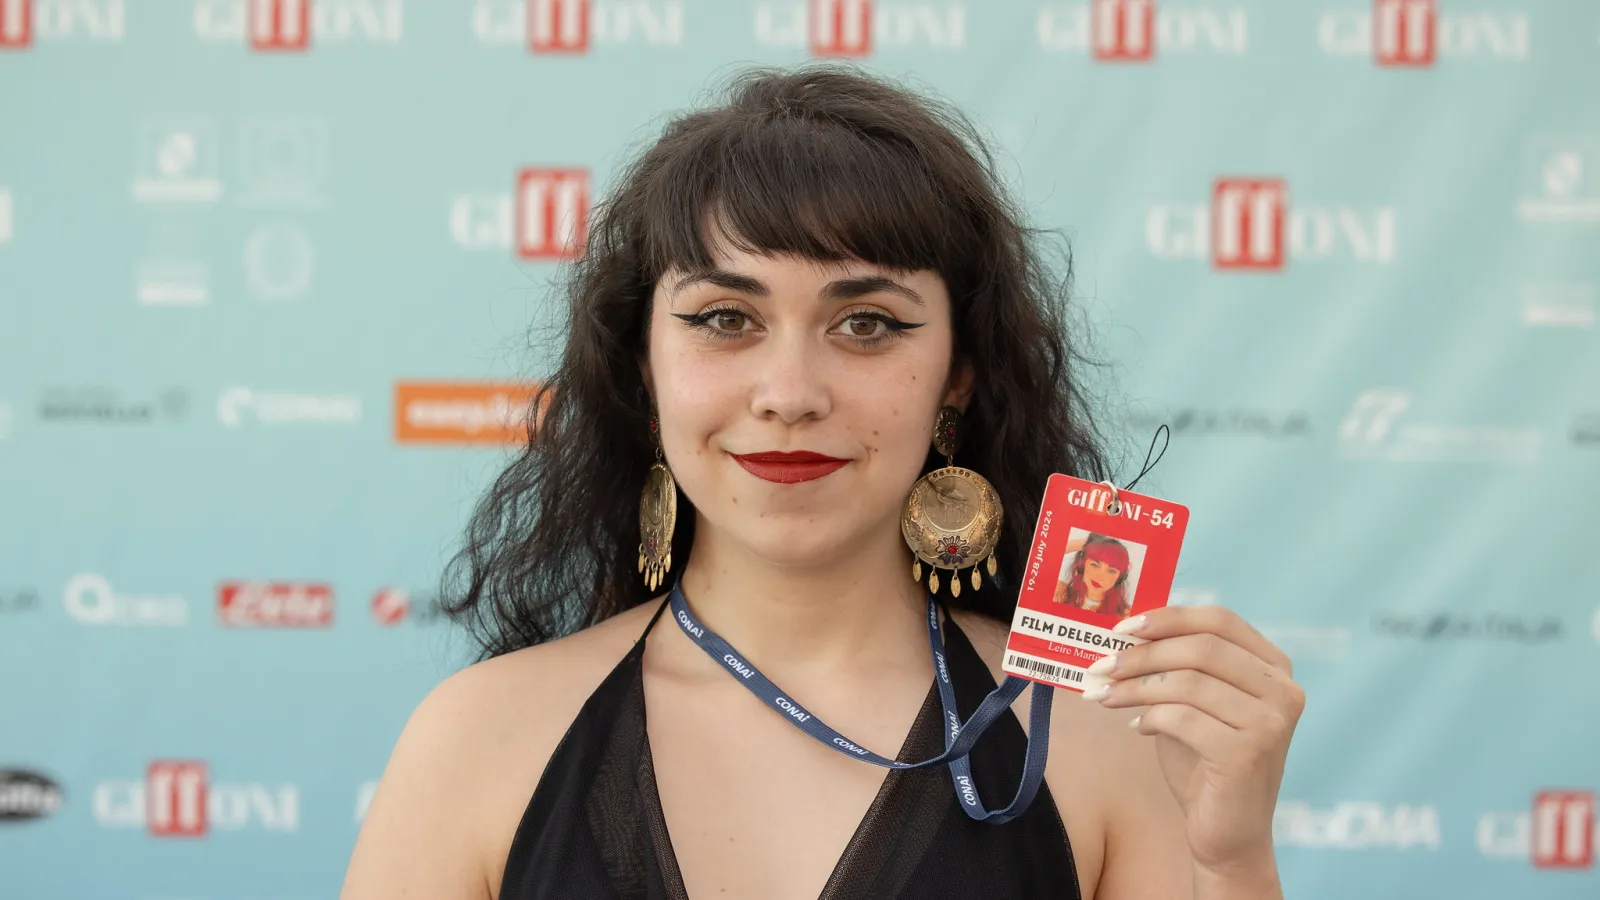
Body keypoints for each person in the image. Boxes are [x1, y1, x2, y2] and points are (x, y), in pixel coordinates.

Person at [340, 64, 1305, 900]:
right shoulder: (478, 741)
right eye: (725, 318)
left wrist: (1231, 866)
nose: (790, 394)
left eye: (868, 324)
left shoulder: (1099, 741)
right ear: (643, 367)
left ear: (957, 376)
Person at [1052, 533, 1134, 618]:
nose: (1099, 577)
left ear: (1120, 578)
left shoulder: (1125, 614)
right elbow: (1044, 551)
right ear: (1082, 564)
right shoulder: (1060, 592)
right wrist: (1088, 542)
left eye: (1111, 571)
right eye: (1094, 565)